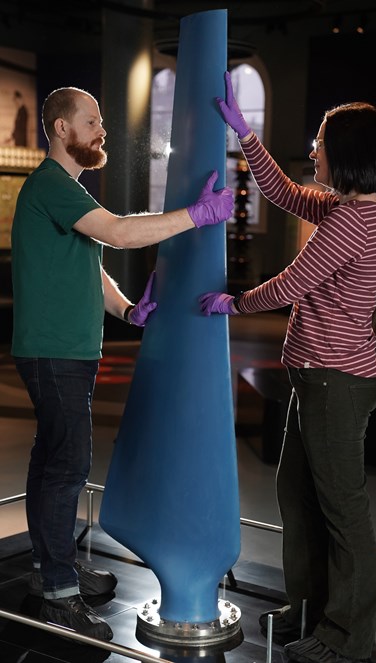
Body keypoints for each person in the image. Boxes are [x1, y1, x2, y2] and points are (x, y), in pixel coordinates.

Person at [11, 86, 233, 642]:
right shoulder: (51, 185)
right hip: (55, 354)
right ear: (61, 129)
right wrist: (196, 215)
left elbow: (95, 266)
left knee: (52, 463)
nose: (100, 129)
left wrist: (129, 310)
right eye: (91, 121)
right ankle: (61, 593)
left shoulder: (68, 192)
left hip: (65, 352)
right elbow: (119, 232)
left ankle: (51, 570)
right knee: (67, 467)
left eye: (101, 120)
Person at [199, 72, 376, 663]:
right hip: (318, 377)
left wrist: (233, 302)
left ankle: (346, 637)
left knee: (341, 510)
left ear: (346, 154)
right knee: (298, 496)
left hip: (338, 382)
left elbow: (291, 283)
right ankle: (310, 610)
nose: (313, 150)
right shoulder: (343, 205)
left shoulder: (351, 223)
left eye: (319, 141)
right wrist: (243, 133)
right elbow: (283, 192)